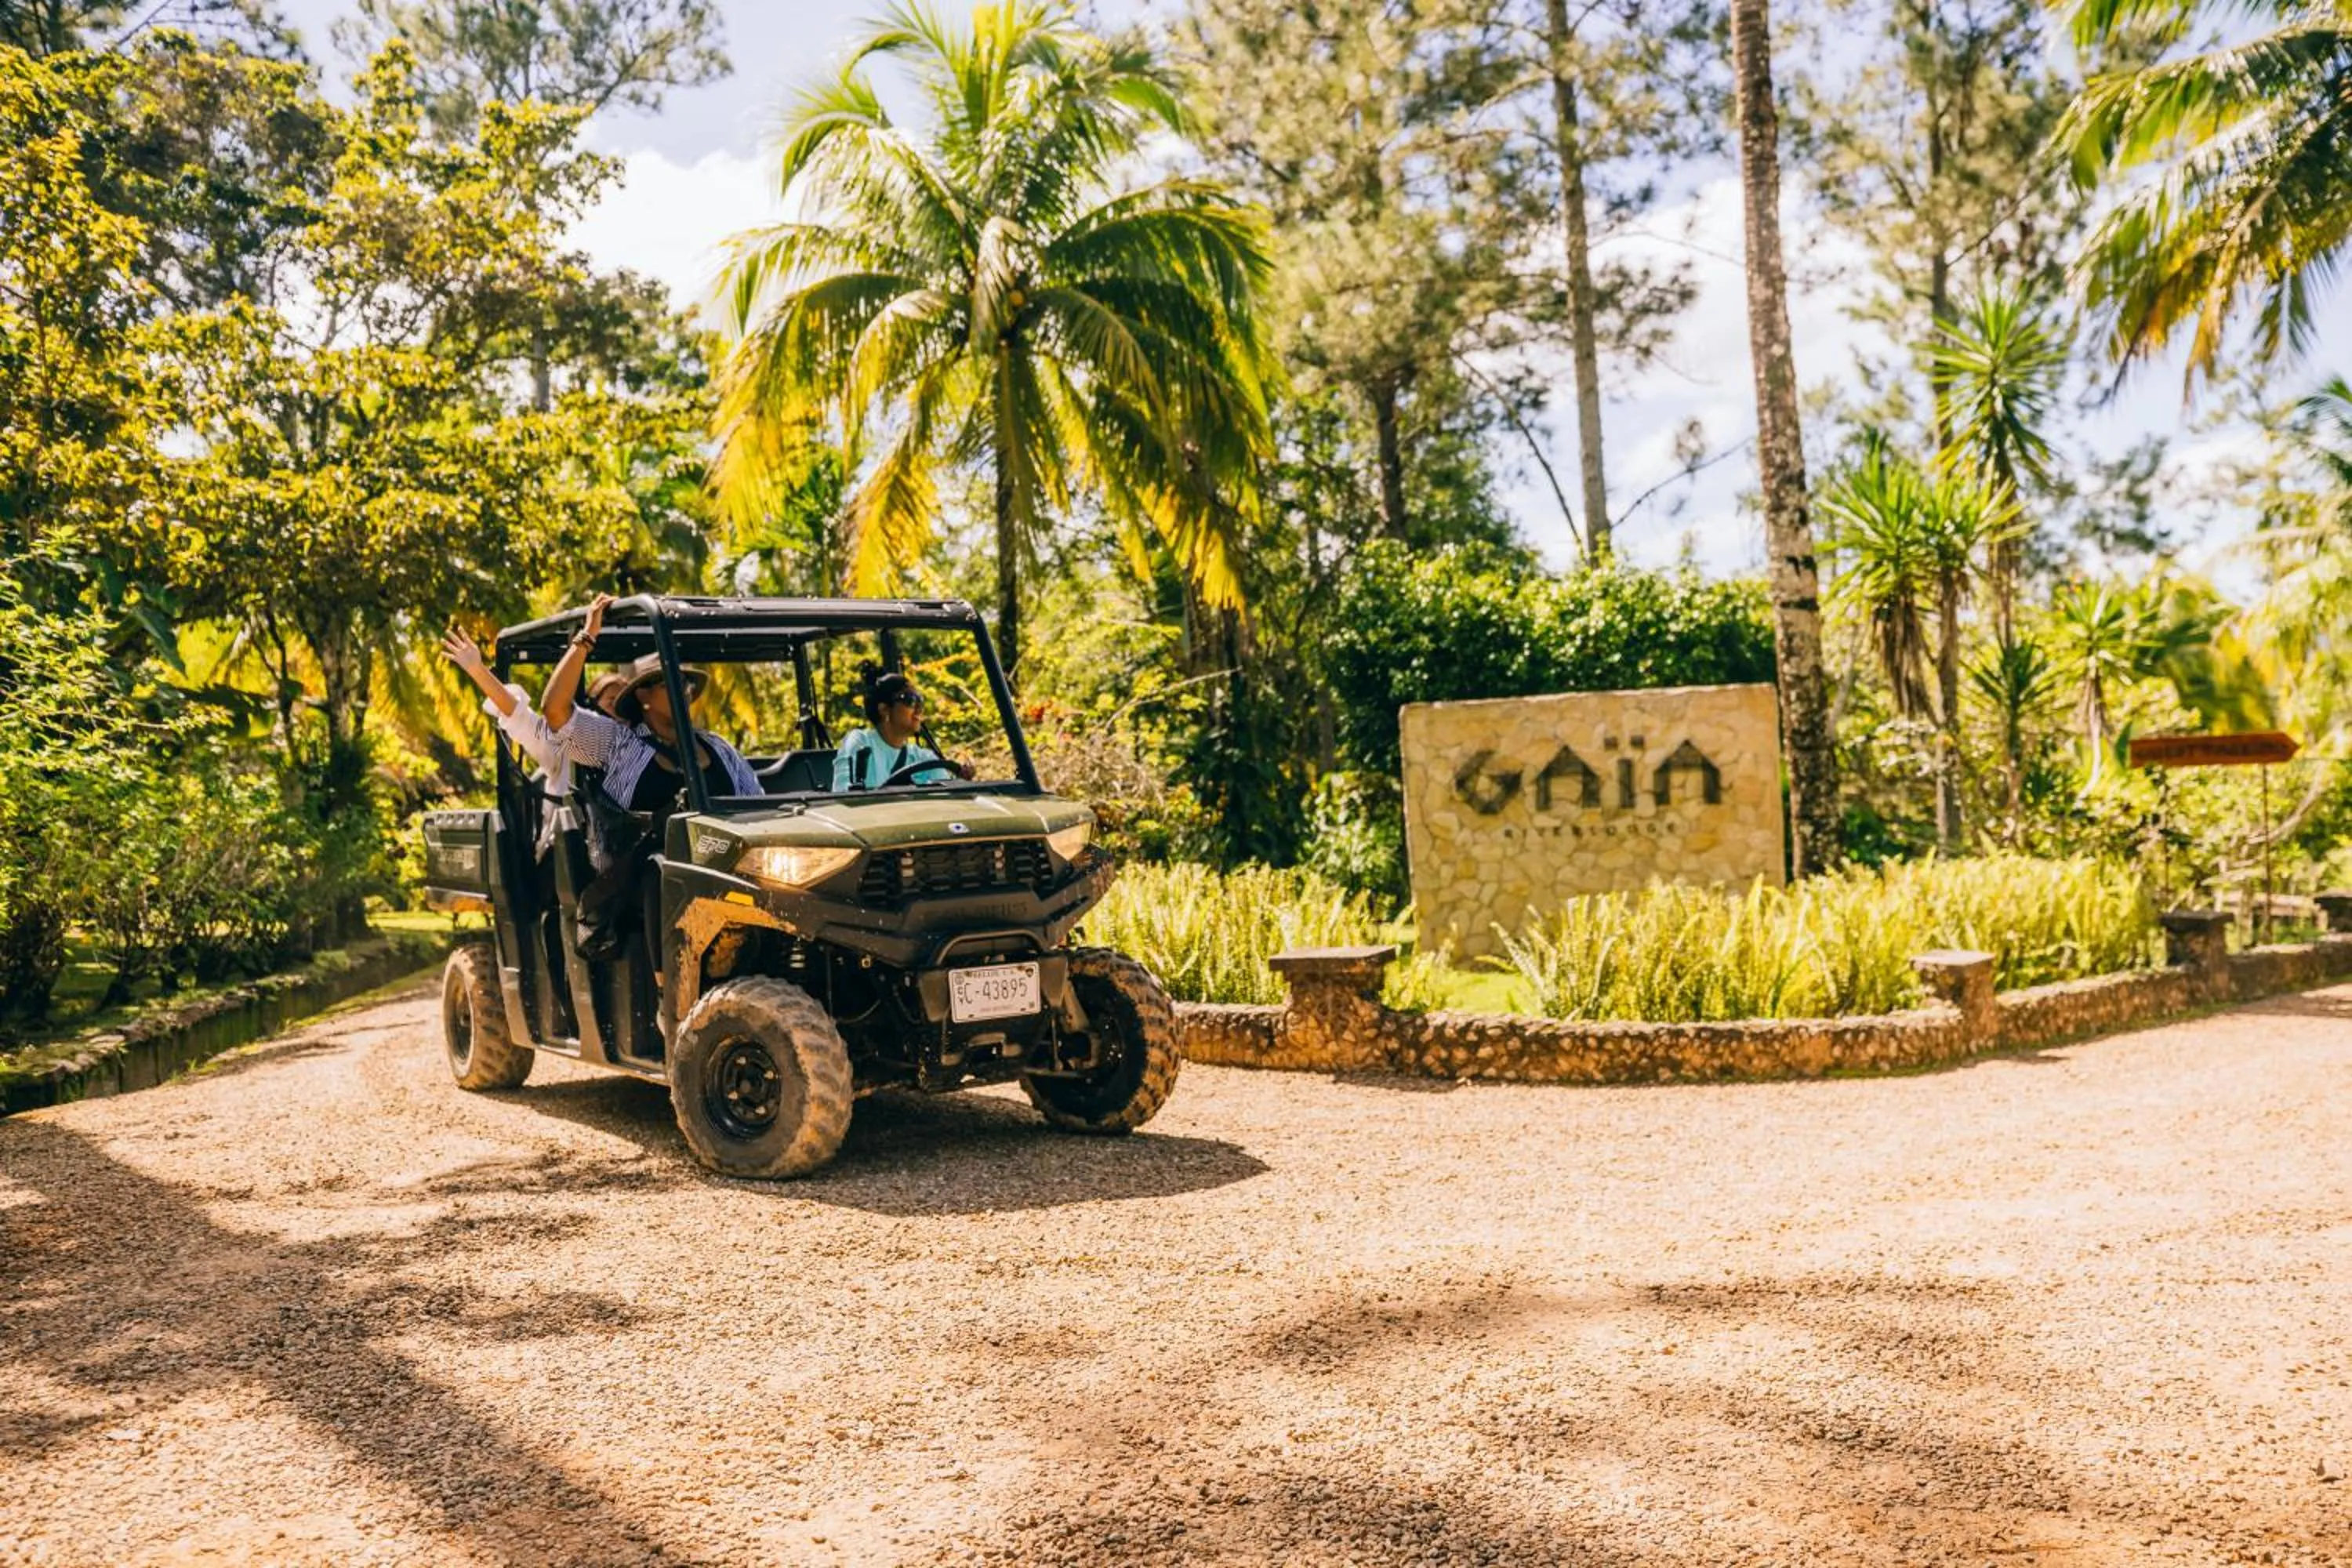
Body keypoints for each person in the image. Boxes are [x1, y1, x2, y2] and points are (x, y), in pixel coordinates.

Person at [542, 594, 761, 811]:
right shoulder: (619, 743)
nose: (683, 692)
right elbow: (555, 711)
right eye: (669, 685)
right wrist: (586, 638)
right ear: (643, 695)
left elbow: (757, 806)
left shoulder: (718, 748)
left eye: (685, 683)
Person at [831, 666, 971, 791]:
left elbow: (947, 801)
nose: (919, 709)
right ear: (884, 709)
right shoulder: (860, 742)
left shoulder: (923, 758)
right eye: (910, 700)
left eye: (920, 701)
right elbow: (843, 796)